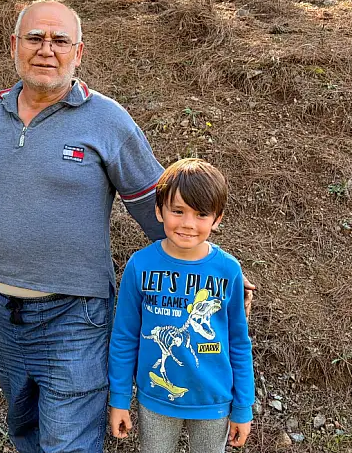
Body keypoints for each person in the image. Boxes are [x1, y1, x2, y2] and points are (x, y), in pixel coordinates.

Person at [0, 0, 255, 453]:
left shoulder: (108, 121)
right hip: (1, 311)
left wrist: (211, 273)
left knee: (68, 443)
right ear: (15, 46)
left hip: (74, 316)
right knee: (25, 430)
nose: (46, 49)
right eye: (35, 38)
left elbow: (158, 204)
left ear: (78, 53)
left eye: (60, 40)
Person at [108, 158, 254, 453]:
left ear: (217, 218)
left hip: (214, 401)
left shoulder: (228, 270)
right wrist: (119, 398)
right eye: (178, 211)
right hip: (156, 399)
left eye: (201, 214)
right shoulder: (140, 266)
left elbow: (239, 342)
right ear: (159, 210)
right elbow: (124, 336)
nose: (188, 223)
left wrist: (243, 406)